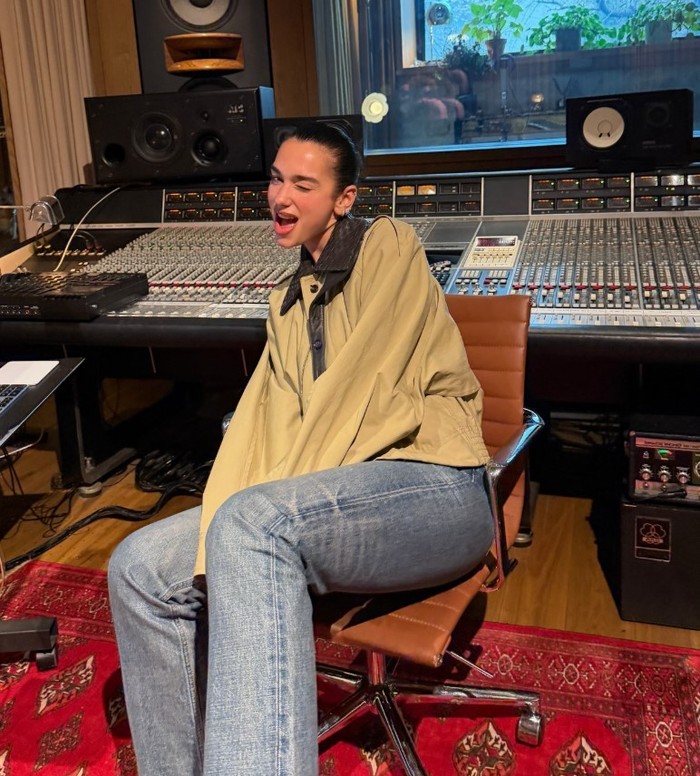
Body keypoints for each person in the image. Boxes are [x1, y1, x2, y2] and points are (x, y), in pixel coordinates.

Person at [108, 122, 494, 775]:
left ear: (344, 199)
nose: (281, 197)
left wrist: (253, 512)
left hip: (436, 486)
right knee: (139, 567)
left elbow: (361, 390)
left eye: (304, 184)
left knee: (254, 525)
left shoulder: (387, 243)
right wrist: (230, 517)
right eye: (276, 179)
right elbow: (266, 425)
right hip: (323, 502)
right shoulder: (288, 300)